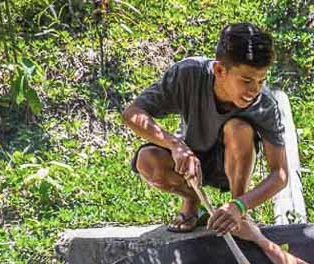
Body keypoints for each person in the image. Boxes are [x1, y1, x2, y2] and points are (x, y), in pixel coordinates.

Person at [122, 22, 287, 232]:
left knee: (238, 129)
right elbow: (132, 113)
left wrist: (239, 205)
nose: (254, 89)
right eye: (246, 80)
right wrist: (175, 145)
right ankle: (192, 201)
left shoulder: (264, 104)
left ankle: (237, 214)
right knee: (147, 161)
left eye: (261, 81)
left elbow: (279, 174)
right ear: (219, 70)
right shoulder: (189, 74)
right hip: (190, 162)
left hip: (231, 164)